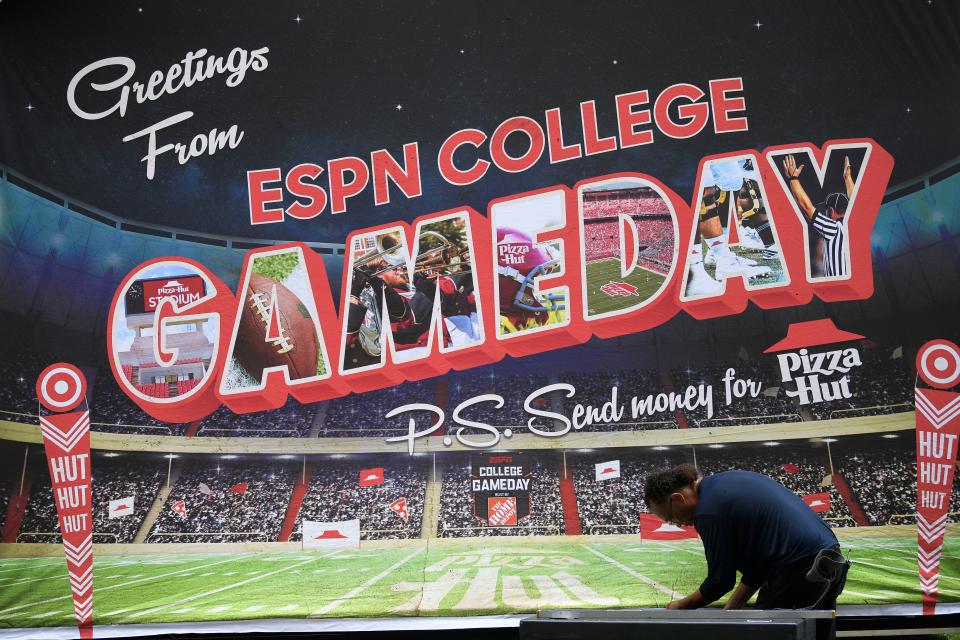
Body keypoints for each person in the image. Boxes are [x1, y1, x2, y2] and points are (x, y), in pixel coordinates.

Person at [643, 464, 845, 610]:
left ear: (678, 499)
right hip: (832, 562)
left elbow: (720, 581)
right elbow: (759, 566)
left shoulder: (708, 511)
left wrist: (682, 604)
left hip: (798, 572)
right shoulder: (730, 480)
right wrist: (731, 608)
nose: (677, 524)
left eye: (671, 518)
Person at [781, 154, 854, 278]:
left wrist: (793, 178)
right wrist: (848, 178)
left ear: (830, 211)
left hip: (838, 287)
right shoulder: (854, 226)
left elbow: (807, 207)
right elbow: (856, 203)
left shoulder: (833, 229)